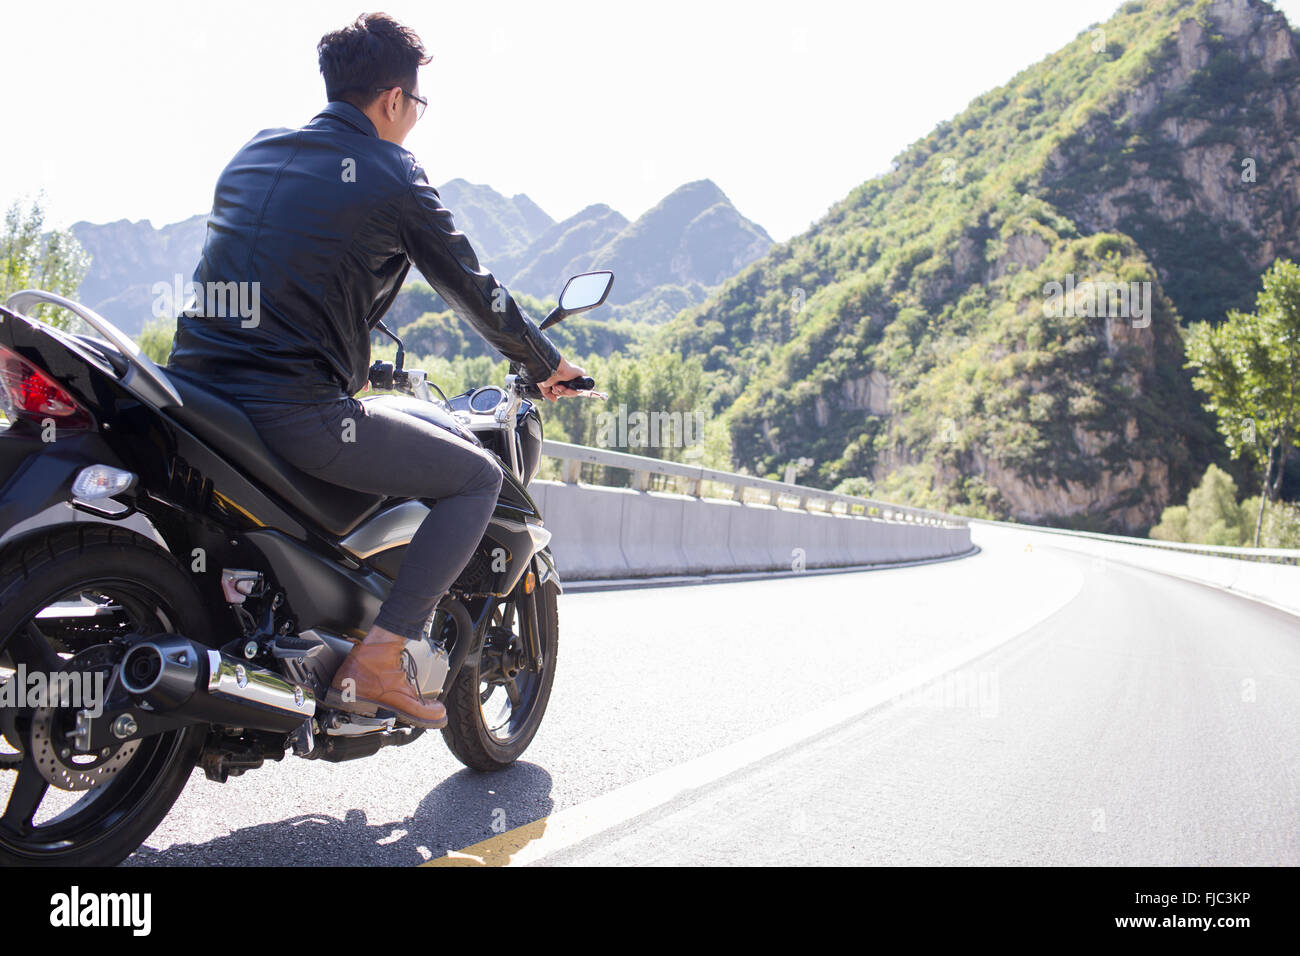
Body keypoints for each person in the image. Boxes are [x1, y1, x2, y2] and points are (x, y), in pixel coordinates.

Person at [166, 12, 587, 729]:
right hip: (294, 412)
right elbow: (470, 286)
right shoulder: (393, 173)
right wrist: (547, 363)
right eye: (418, 105)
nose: (416, 119)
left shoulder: (255, 152)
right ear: (394, 100)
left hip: (191, 393)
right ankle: (382, 656)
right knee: (477, 477)